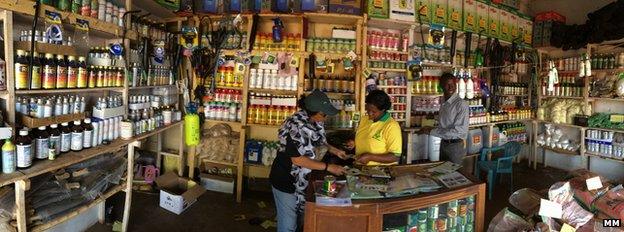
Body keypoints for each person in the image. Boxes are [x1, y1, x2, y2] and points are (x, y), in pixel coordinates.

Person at [269, 90, 347, 232]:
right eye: (323, 114)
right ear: (312, 111)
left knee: (300, 221)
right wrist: (329, 167)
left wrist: (334, 150)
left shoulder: (315, 121)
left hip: (303, 179)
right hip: (286, 180)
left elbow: (319, 141)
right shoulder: (295, 127)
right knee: (288, 226)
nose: (325, 117)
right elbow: (298, 160)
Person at [418, 72, 469, 164]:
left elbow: (459, 131)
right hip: (444, 143)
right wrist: (434, 117)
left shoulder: (461, 104)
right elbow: (448, 118)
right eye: (447, 85)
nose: (450, 87)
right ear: (441, 86)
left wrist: (431, 131)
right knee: (442, 171)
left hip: (455, 146)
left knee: (454, 173)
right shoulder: (444, 101)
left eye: (453, 85)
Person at [353, 90, 403, 165]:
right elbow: (367, 139)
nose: (369, 113)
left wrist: (370, 157)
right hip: (361, 168)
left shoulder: (391, 126)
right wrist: (354, 143)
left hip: (380, 172)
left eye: (373, 111)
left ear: (383, 110)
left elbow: (395, 156)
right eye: (368, 109)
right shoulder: (364, 119)